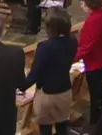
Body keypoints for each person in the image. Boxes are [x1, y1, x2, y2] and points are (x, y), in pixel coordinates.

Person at [22, 7, 78, 135]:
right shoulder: (73, 41)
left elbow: (36, 73)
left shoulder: (45, 47)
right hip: (65, 91)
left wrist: (22, 86)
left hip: (48, 95)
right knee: (62, 126)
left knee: (45, 129)